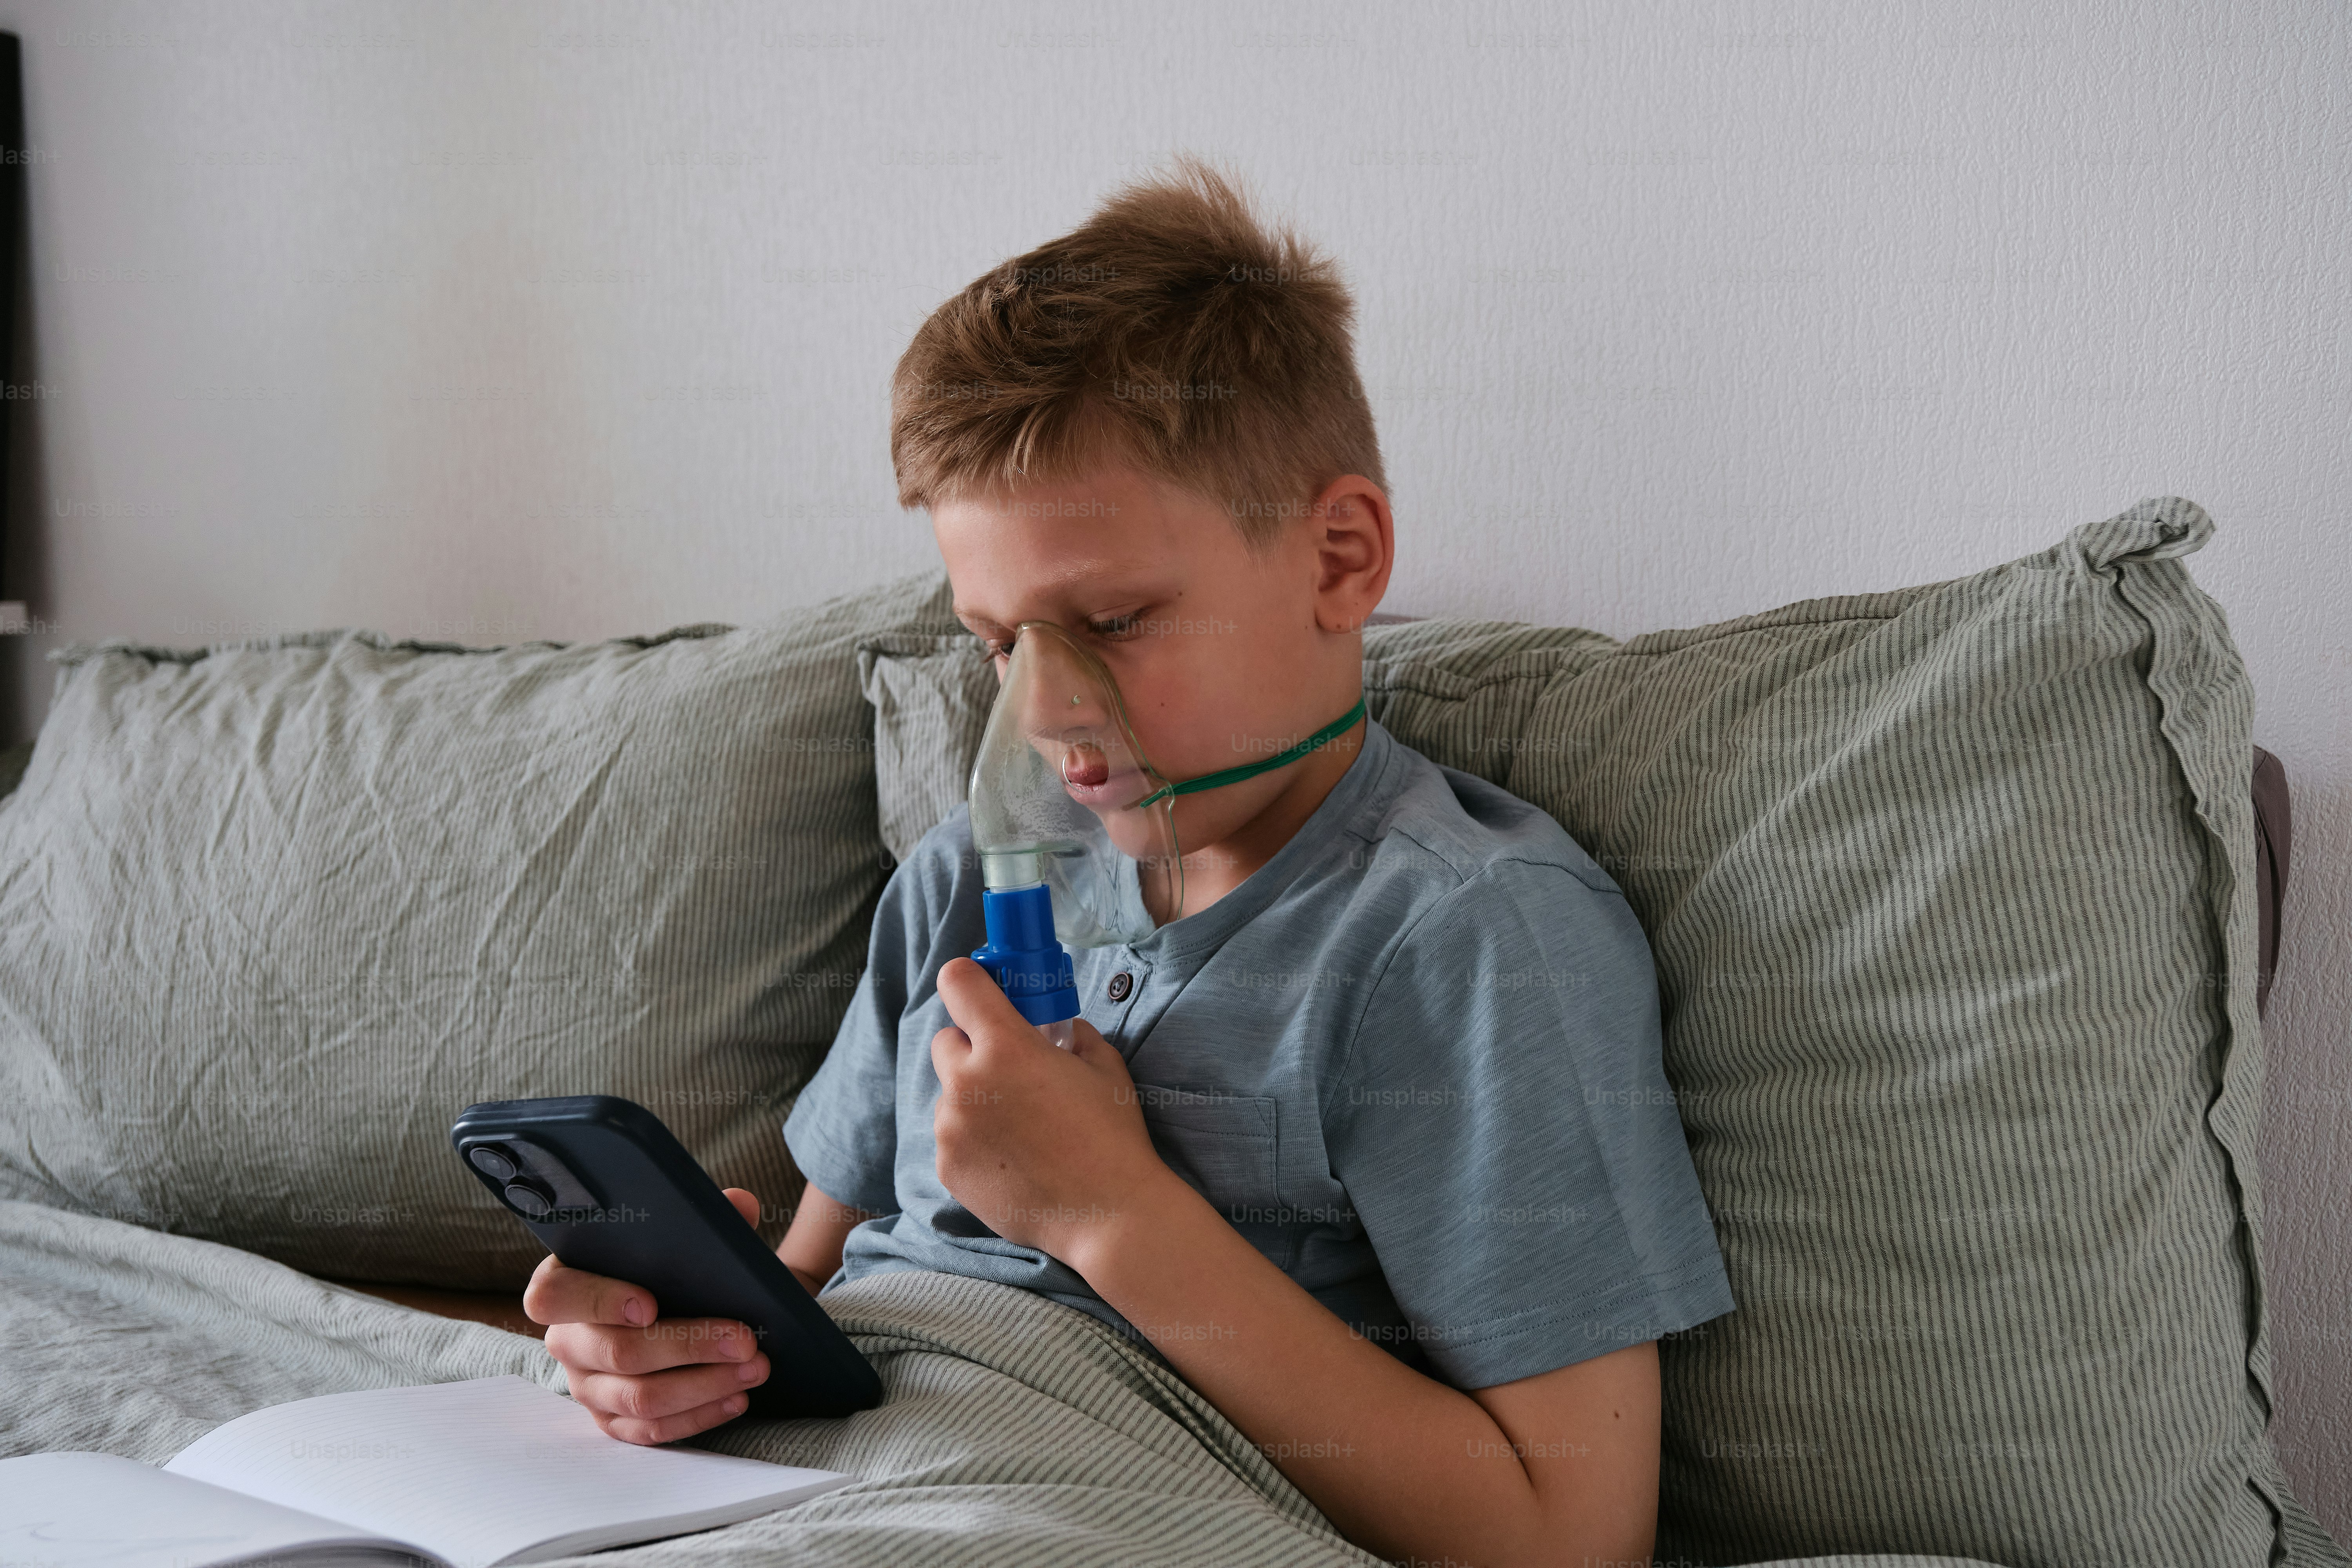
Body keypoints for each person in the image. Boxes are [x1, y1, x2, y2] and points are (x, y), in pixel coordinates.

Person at [524, 157, 1732, 1568]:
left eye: (1116, 618)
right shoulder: (959, 888)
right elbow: (802, 1297)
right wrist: (676, 1363)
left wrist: (1115, 1216)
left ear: (1341, 560)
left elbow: (1568, 1537)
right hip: (813, 1485)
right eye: (998, 643)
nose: (1046, 717)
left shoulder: (1458, 938)